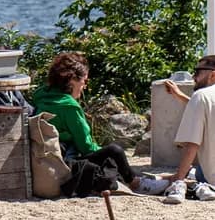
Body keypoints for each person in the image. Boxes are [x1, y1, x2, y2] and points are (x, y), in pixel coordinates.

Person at [32, 52, 169, 197]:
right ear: (72, 80)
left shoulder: (41, 96)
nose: (84, 86)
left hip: (47, 158)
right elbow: (86, 147)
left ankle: (135, 178)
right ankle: (136, 184)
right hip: (66, 163)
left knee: (110, 158)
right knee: (114, 151)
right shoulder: (69, 106)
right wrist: (102, 151)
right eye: (84, 81)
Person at [160, 55, 215, 203]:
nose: (193, 77)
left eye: (198, 72)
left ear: (213, 75)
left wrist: (179, 179)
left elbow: (192, 144)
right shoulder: (203, 98)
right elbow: (206, 111)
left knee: (194, 173)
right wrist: (179, 95)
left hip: (211, 178)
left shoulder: (201, 96)